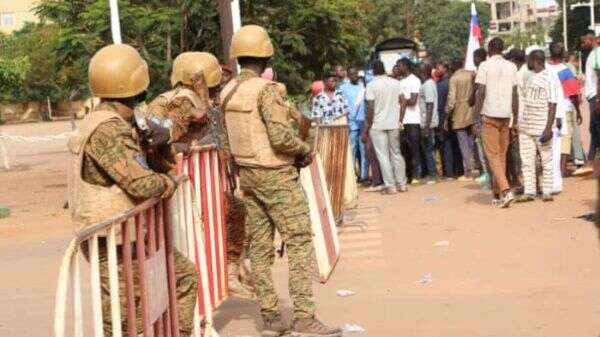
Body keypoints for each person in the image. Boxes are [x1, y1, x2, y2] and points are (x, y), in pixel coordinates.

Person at [220, 24, 342, 337]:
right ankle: (303, 314)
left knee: (259, 249)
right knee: (299, 242)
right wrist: (304, 150)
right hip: (276, 175)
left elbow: (226, 144)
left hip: (248, 176)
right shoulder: (268, 90)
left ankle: (271, 317)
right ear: (266, 55)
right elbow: (279, 137)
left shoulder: (228, 92)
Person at [68, 44, 196, 336]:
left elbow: (154, 153)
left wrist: (158, 148)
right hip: (111, 240)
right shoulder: (108, 129)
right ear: (137, 83)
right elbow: (141, 184)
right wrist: (170, 183)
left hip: (127, 234)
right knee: (123, 318)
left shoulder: (117, 122)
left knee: (181, 277)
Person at [473, 37, 519, 207]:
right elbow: (515, 95)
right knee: (500, 156)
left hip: (490, 115)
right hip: (506, 115)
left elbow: (481, 93)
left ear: (490, 49)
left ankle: (506, 191)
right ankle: (497, 193)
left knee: (492, 156)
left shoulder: (484, 66)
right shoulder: (512, 66)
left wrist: (474, 118)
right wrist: (515, 119)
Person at [516, 50, 558, 202]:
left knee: (546, 160)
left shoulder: (550, 78)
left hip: (542, 127)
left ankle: (547, 191)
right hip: (526, 126)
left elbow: (552, 104)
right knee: (527, 161)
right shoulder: (528, 77)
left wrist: (548, 128)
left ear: (535, 60)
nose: (526, 62)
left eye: (528, 59)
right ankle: (530, 191)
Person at [361, 60, 407, 194]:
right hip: (393, 123)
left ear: (373, 71)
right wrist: (400, 120)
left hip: (377, 124)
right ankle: (402, 184)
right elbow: (403, 101)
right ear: (384, 69)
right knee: (396, 153)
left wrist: (367, 127)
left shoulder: (371, 85)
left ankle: (391, 186)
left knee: (383, 156)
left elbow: (370, 108)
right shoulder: (395, 83)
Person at [546, 41, 582, 187]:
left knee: (551, 141)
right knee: (565, 139)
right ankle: (561, 169)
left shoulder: (544, 69)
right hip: (564, 108)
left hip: (548, 109)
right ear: (562, 54)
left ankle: (551, 170)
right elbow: (573, 94)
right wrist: (579, 112)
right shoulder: (565, 70)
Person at [446, 58, 476, 180]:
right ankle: (475, 166)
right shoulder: (470, 75)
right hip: (471, 109)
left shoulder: (453, 79)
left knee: (463, 143)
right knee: (471, 142)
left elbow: (451, 99)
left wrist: (447, 112)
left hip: (459, 111)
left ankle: (468, 170)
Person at [340, 67, 369, 182]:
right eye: (351, 74)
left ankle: (364, 175)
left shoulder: (363, 87)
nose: (354, 76)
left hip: (362, 122)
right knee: (351, 149)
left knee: (363, 150)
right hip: (351, 123)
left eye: (355, 73)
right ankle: (352, 175)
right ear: (348, 75)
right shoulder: (343, 88)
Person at [398, 58, 423, 184]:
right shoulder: (400, 82)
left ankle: (416, 175)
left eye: (399, 66)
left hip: (413, 119)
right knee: (404, 150)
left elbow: (413, 101)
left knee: (414, 149)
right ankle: (408, 175)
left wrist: (402, 101)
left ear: (405, 66)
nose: (397, 68)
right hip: (402, 121)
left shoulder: (414, 80)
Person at [417, 62, 439, 183]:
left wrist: (426, 125)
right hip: (426, 122)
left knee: (428, 149)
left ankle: (432, 173)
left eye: (421, 70)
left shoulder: (428, 85)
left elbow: (429, 105)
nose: (419, 72)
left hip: (428, 123)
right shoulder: (426, 84)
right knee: (427, 148)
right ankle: (431, 172)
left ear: (425, 71)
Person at [436, 62, 457, 179]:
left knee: (447, 144)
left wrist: (443, 118)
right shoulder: (441, 82)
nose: (436, 70)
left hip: (444, 117)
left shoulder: (444, 83)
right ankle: (448, 171)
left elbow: (443, 103)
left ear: (444, 69)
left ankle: (449, 171)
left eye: (438, 67)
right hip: (444, 116)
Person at [582, 29, 600, 161]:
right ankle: (591, 159)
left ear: (590, 39)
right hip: (593, 96)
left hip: (596, 96)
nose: (583, 44)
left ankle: (592, 159)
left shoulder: (596, 53)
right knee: (593, 128)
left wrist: (598, 98)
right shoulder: (592, 54)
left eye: (584, 41)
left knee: (596, 127)